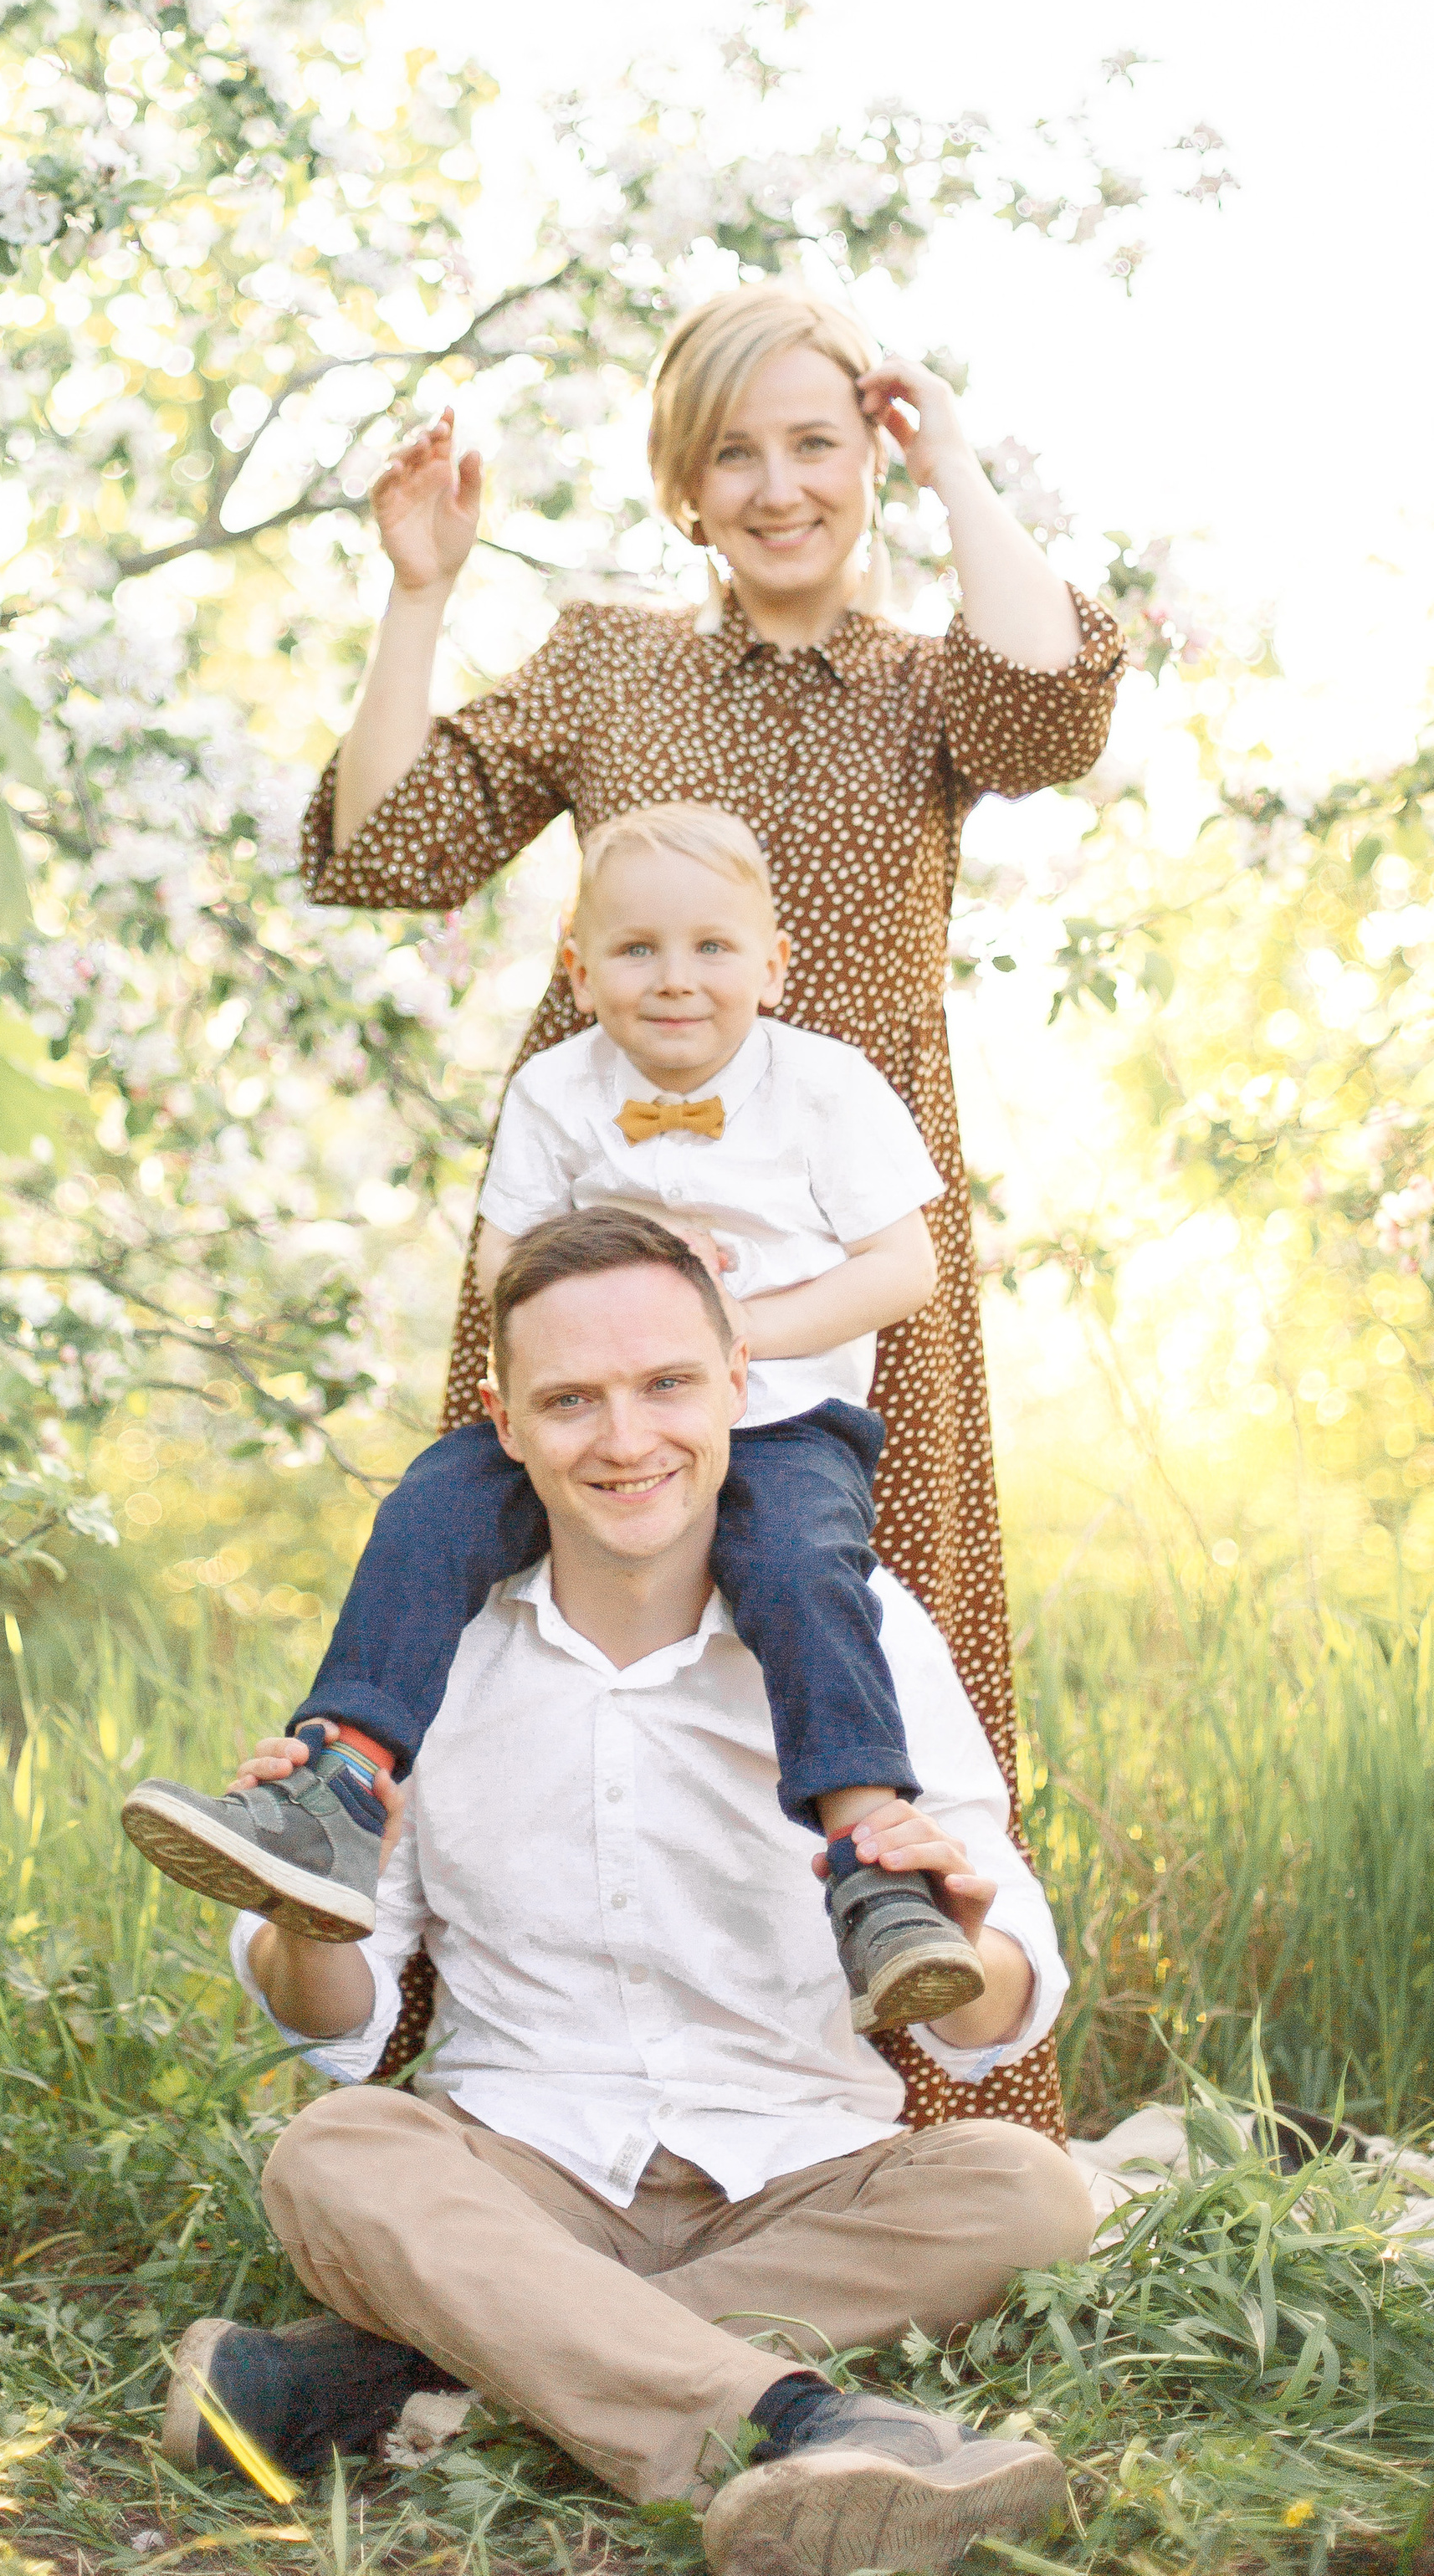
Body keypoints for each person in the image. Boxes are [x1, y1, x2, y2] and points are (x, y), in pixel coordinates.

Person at [305, 284, 1123, 2139]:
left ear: (868, 461)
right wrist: (418, 594)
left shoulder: (927, 681)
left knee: (842, 1610)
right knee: (509, 1577)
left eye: (817, 444)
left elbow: (1054, 710)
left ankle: (898, 2093)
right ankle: (517, 2103)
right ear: (682, 485)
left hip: (829, 1260)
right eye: (733, 453)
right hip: (592, 1245)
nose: (778, 487)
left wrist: (953, 460)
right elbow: (389, 847)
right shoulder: (611, 665)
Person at [161, 1211, 1099, 2576]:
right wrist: (317, 1916)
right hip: (519, 2166)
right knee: (335, 2155)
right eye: (571, 1401)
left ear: (735, 1387)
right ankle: (792, 2430)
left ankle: (417, 2374)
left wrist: (965, 1942)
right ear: (505, 1422)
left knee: (1029, 2194)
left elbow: (994, 2012)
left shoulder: (863, 1625)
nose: (625, 1439)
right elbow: (334, 2030)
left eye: (666, 1385)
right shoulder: (431, 1640)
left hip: (802, 2174)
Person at [123, 799, 988, 2040]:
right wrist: (615, 1273)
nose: (674, 978)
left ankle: (874, 1867)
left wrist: (723, 1331)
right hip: (590, 1409)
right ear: (579, 973)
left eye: (711, 947)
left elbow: (904, 1270)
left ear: (773, 965)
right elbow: (500, 1262)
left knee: (802, 1572)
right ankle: (342, 1784)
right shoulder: (554, 1089)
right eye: (636, 950)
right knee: (431, 1507)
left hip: (785, 1419)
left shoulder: (825, 1089)